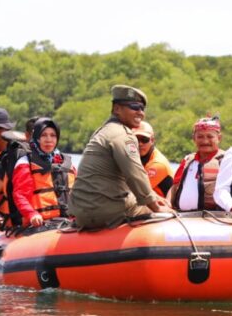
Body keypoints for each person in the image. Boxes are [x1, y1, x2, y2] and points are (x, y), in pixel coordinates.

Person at [67, 85, 172, 228]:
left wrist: (155, 197)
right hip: (105, 211)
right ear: (117, 109)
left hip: (82, 211)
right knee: (169, 216)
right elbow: (135, 175)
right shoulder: (123, 135)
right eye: (134, 107)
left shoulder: (102, 131)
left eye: (142, 108)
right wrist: (157, 207)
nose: (140, 113)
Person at [11, 117, 76, 227]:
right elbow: (20, 195)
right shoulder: (25, 163)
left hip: (67, 222)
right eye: (44, 135)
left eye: (53, 135)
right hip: (39, 225)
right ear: (36, 138)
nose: (48, 139)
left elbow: (79, 193)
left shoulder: (67, 163)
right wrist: (32, 214)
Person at [0, 116, 39, 229]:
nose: (44, 139)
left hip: (51, 223)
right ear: (28, 136)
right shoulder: (13, 159)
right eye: (39, 134)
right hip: (20, 224)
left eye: (49, 134)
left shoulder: (59, 161)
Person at [170, 115, 226, 211]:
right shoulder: (187, 160)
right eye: (200, 136)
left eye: (210, 136)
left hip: (213, 219)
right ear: (194, 138)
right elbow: (174, 187)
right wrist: (167, 205)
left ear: (219, 138)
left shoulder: (226, 160)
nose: (205, 141)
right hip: (182, 217)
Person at [133, 121, 175, 198]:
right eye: (136, 139)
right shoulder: (137, 157)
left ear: (152, 140)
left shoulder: (158, 163)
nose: (140, 143)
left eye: (144, 139)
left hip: (162, 207)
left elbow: (139, 191)